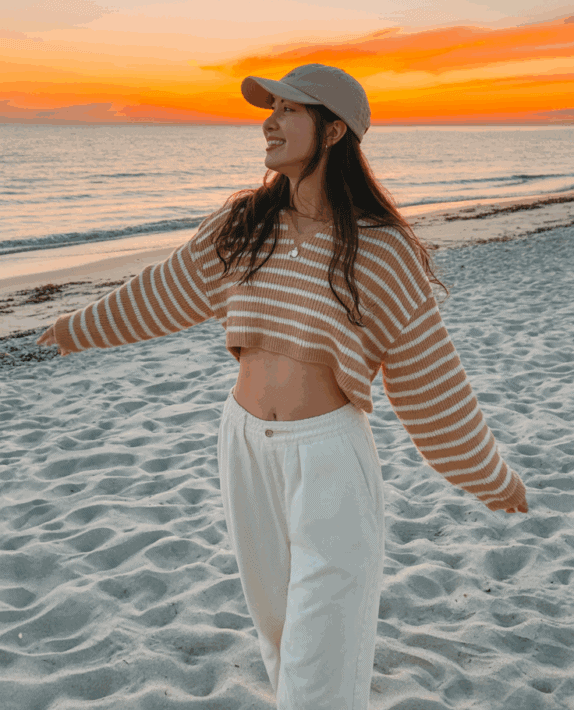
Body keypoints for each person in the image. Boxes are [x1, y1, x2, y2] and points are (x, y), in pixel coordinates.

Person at [37, 63, 528, 710]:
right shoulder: (245, 224)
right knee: (277, 629)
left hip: (328, 457)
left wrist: (491, 477)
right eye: (270, 109)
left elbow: (433, 385)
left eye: (289, 110)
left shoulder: (383, 252)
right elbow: (166, 290)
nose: (269, 121)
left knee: (322, 646)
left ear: (332, 132)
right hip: (242, 443)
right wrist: (69, 329)